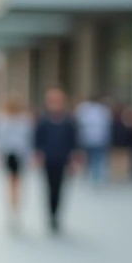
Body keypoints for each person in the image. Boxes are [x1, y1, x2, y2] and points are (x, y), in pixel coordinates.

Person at [34, 88, 80, 234]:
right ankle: (50, 215)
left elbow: (73, 141)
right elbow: (38, 140)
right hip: (48, 159)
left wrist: (75, 158)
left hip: (62, 159)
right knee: (49, 188)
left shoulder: (68, 120)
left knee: (59, 188)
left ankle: (56, 215)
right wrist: (38, 154)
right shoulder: (43, 119)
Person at [0, 94, 35, 229]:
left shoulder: (24, 120)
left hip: (19, 154)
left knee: (16, 183)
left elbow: (28, 140)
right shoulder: (0, 119)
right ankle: (12, 206)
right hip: (7, 154)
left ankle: (15, 206)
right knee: (11, 182)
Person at [74, 95, 112, 185]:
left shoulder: (84, 108)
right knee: (95, 157)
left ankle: (92, 175)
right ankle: (95, 176)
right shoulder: (102, 109)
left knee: (92, 157)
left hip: (89, 138)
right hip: (96, 138)